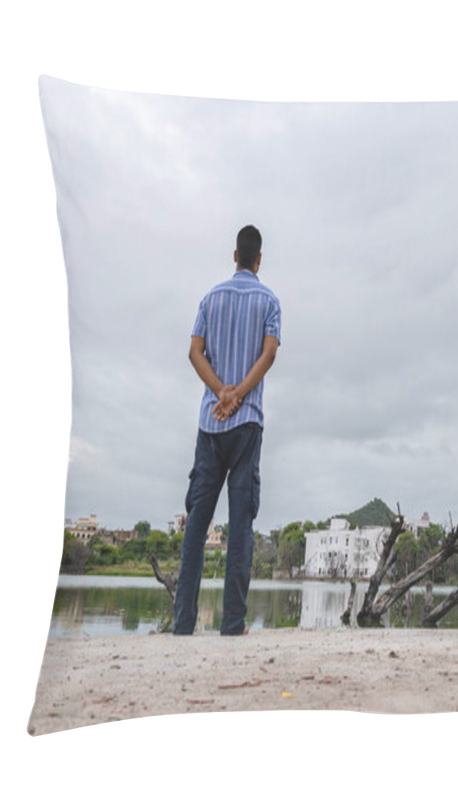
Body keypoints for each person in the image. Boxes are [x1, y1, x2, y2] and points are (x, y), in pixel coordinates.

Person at [173, 224, 281, 636]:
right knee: (240, 526)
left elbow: (193, 352)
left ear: (235, 255)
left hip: (210, 423)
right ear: (258, 260)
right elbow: (269, 354)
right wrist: (237, 396)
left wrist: (220, 391)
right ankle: (232, 623)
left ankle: (182, 623)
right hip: (247, 422)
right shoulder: (269, 301)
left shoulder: (210, 298)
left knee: (197, 526)